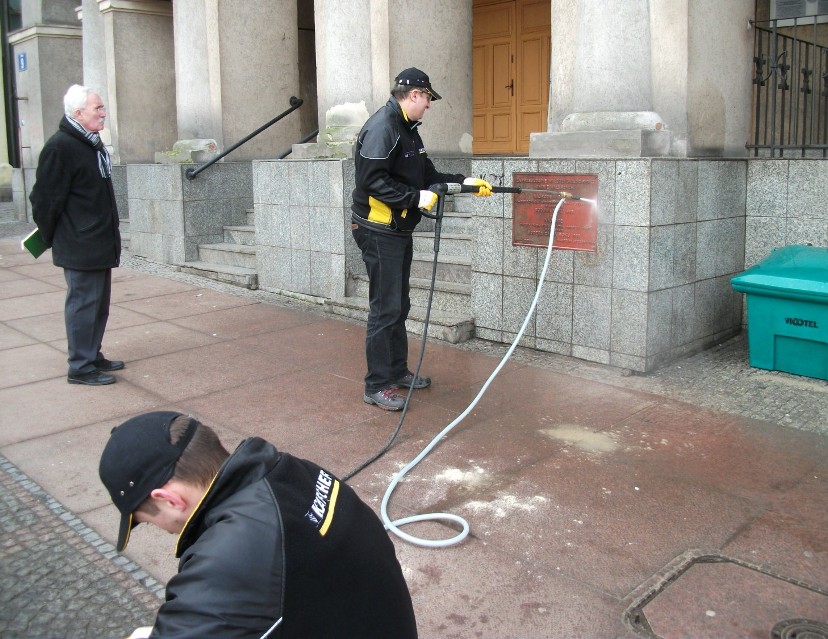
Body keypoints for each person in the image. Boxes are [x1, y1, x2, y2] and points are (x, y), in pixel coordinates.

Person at [99, 411, 419, 639]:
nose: (165, 529)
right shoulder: (293, 472)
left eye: (148, 519)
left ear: (169, 499)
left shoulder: (229, 556)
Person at [351, 67, 492, 410]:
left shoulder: (408, 130)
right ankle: (376, 385)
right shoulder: (383, 128)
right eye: (427, 97)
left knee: (399, 305)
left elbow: (426, 175)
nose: (429, 105)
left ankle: (396, 371)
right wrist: (413, 199)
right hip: (377, 230)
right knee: (385, 308)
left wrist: (464, 182)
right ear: (414, 94)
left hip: (398, 230)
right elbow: (372, 181)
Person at [30, 84, 123, 386]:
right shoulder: (61, 147)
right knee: (83, 304)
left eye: (102, 108)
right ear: (78, 113)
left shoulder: (90, 143)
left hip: (97, 240)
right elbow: (44, 200)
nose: (103, 113)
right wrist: (51, 235)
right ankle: (80, 366)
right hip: (79, 242)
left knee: (98, 304)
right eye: (98, 108)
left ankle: (91, 354)